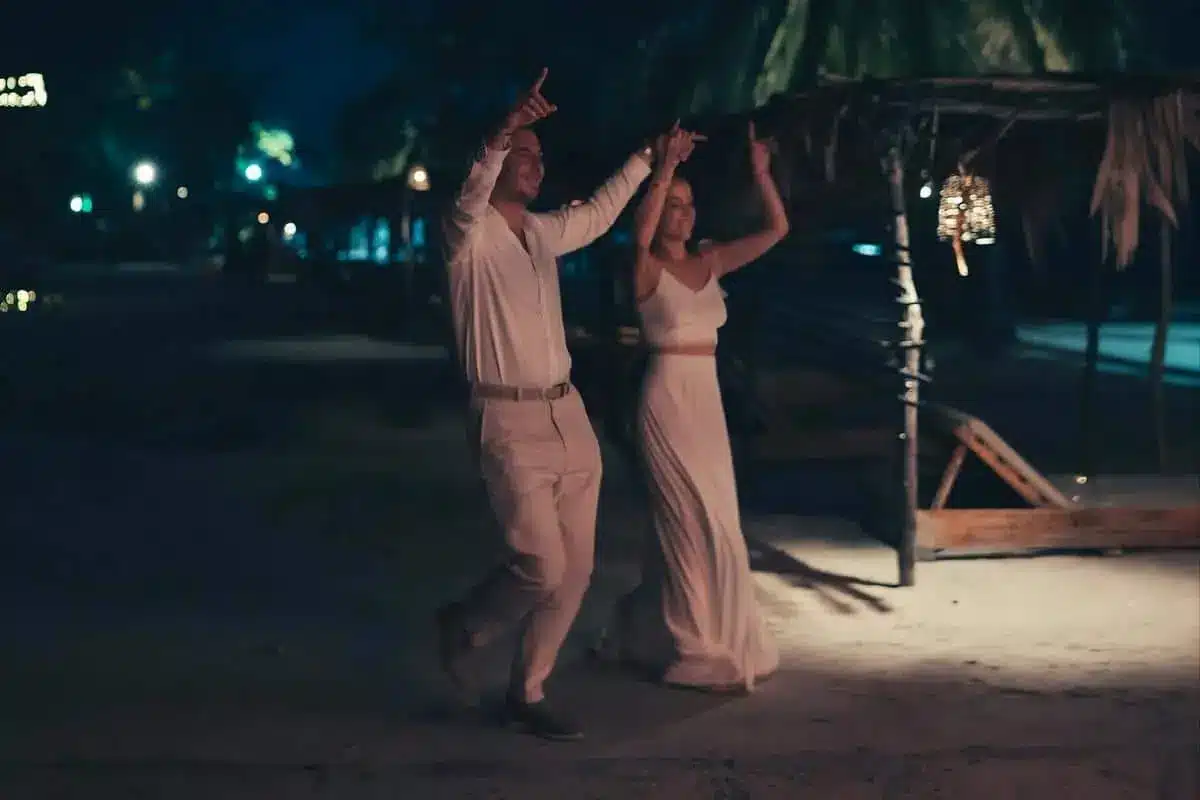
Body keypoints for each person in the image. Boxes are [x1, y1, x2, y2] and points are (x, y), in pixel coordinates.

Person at [435, 68, 654, 741]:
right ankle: (468, 622)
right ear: (498, 159)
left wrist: (650, 160)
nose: (535, 164)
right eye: (522, 155)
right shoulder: (465, 237)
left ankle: (527, 690)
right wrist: (502, 132)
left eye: (538, 155)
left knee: (578, 570)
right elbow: (474, 189)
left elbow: (596, 213)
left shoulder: (540, 233)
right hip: (507, 417)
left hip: (568, 413)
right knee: (540, 563)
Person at [599, 121, 789, 694]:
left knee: (719, 521)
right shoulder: (646, 269)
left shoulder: (711, 262)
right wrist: (662, 171)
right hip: (666, 398)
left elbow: (778, 228)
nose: (681, 214)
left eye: (688, 205)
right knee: (684, 521)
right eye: (672, 205)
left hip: (705, 402)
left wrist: (761, 174)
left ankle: (651, 628)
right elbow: (638, 235)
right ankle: (691, 644)